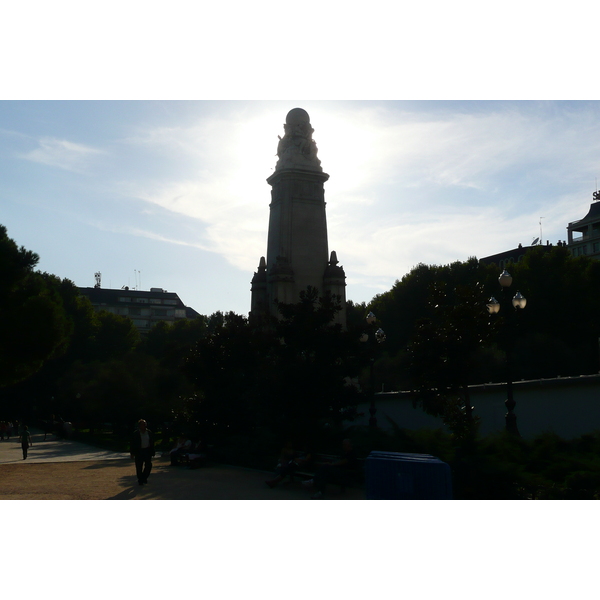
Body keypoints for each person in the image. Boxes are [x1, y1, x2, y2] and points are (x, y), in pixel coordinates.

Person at [130, 419, 155, 486]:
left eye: (145, 424)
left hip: (147, 451)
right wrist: (132, 453)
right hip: (139, 451)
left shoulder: (149, 432)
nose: (144, 425)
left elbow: (152, 442)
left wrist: (152, 451)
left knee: (148, 465)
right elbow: (132, 444)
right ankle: (140, 479)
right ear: (139, 426)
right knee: (139, 466)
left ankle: (144, 477)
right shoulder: (136, 433)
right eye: (142, 424)